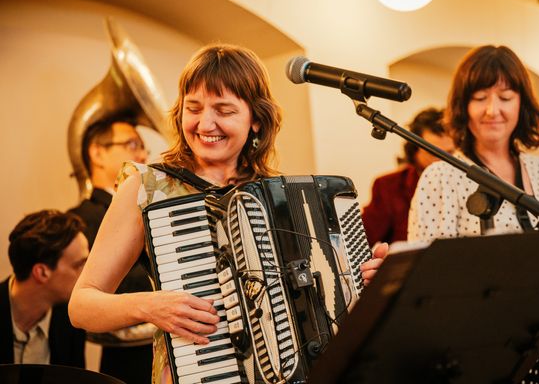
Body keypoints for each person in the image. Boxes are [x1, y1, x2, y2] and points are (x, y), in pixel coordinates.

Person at [68, 44, 387, 383]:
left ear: (256, 120)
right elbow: (81, 306)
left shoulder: (279, 197)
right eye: (193, 108)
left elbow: (323, 307)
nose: (205, 123)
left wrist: (366, 283)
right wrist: (149, 306)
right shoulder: (147, 187)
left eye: (224, 110)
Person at [408, 45, 539, 383]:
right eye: (480, 97)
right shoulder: (440, 177)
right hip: (486, 354)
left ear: (522, 104)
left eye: (506, 97)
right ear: (462, 106)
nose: (492, 110)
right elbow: (427, 288)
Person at [68, 113, 153, 384]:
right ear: (97, 153)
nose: (142, 154)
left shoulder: (152, 208)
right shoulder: (79, 219)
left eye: (144, 148)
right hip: (127, 360)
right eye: (132, 144)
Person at [0, 210, 88, 367]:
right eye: (78, 265)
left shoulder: (72, 319)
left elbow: (75, 377)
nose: (87, 273)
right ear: (41, 272)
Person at [362, 108, 454, 246]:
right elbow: (363, 239)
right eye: (434, 153)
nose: (444, 161)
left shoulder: (467, 183)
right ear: (414, 151)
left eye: (450, 153)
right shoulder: (388, 186)